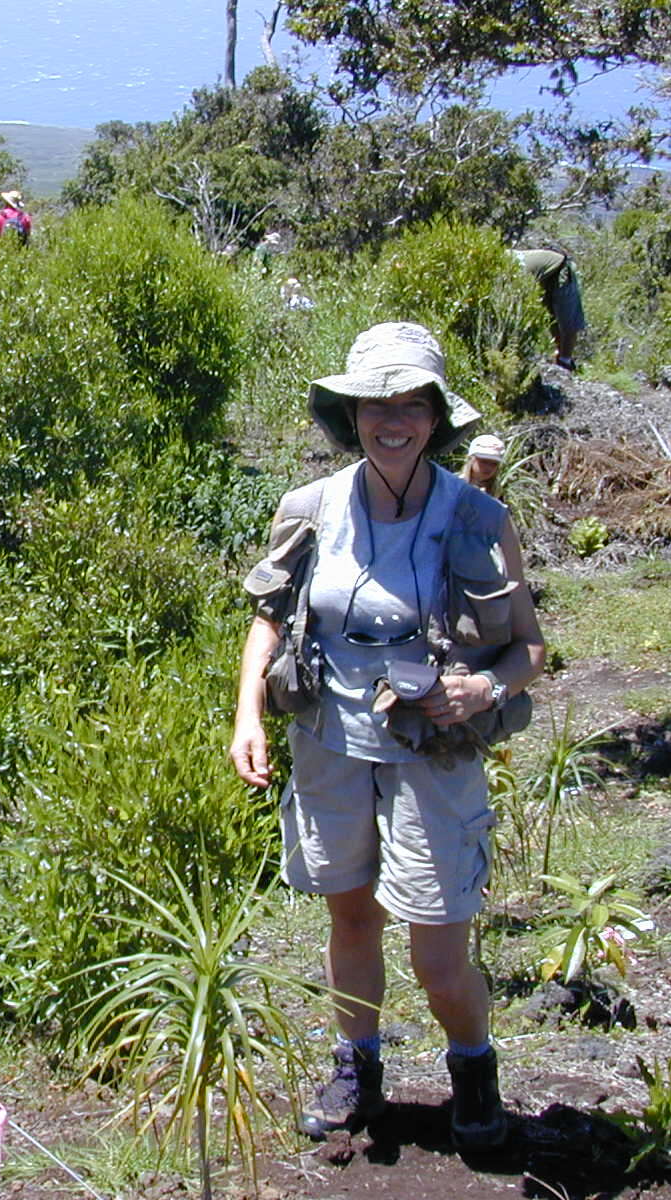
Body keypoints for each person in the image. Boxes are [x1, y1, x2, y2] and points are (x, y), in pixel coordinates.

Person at [229, 322, 544, 1151]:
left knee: (439, 953)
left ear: (437, 417)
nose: (392, 421)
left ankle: (473, 1066)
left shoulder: (478, 517)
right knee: (351, 919)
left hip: (433, 753)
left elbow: (529, 648)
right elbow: (270, 621)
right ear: (352, 415)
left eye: (411, 404)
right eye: (376, 405)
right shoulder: (310, 508)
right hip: (330, 742)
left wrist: (483, 685)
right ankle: (357, 1068)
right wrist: (247, 716)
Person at [514, 248, 585, 370]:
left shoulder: (505, 267)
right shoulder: (500, 264)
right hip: (542, 274)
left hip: (561, 268)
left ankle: (565, 361)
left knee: (567, 319)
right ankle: (560, 355)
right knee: (550, 317)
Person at [460, 433, 506, 498]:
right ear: (471, 459)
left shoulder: (496, 491)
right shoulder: (454, 485)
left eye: (494, 464)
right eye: (484, 461)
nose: (489, 467)